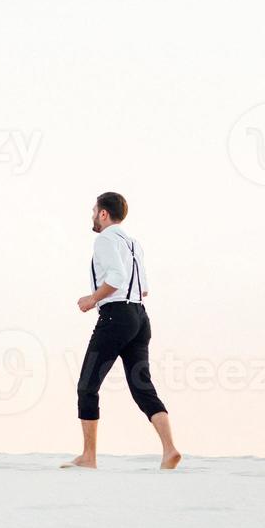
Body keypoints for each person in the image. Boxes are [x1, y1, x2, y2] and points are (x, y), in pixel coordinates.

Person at [62, 193, 181, 471]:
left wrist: (93, 299)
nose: (92, 215)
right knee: (142, 387)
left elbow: (115, 278)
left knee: (87, 385)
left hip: (116, 316)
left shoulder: (104, 239)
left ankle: (88, 457)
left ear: (104, 214)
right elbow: (144, 289)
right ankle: (170, 449)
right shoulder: (133, 243)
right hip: (140, 317)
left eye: (94, 210)